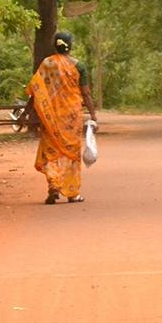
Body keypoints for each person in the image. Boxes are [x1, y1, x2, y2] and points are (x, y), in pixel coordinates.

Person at [22, 31, 98, 205]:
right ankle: (72, 193)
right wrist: (93, 115)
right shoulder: (78, 66)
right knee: (71, 153)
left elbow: (36, 91)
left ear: (54, 45)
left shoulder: (46, 64)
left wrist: (26, 112)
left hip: (50, 117)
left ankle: (53, 186)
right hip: (71, 118)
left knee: (51, 152)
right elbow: (85, 93)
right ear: (70, 46)